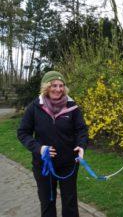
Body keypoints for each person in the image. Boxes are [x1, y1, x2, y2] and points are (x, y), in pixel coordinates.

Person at [17, 71, 88, 217]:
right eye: (53, 85)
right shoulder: (35, 107)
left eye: (61, 85)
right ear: (46, 87)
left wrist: (81, 145)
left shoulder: (72, 107)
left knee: (70, 202)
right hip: (43, 164)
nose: (58, 89)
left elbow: (81, 130)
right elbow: (23, 133)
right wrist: (39, 148)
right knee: (47, 202)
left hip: (69, 163)